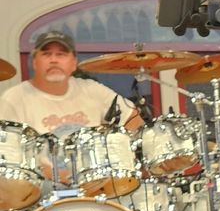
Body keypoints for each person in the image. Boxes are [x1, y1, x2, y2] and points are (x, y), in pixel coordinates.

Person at [0, 28, 141, 140]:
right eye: (46, 54)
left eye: (61, 54)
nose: (54, 60)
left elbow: (133, 120)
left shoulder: (92, 90)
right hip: (40, 169)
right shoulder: (13, 98)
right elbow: (7, 152)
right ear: (35, 62)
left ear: (74, 63)